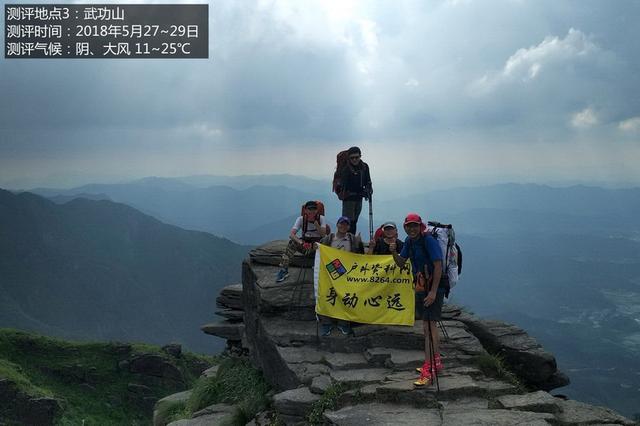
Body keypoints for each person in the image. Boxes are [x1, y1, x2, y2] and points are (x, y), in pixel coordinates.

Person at [389, 213, 444, 387]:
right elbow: (401, 262)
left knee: (429, 327)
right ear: (405, 227)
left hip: (432, 288)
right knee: (427, 327)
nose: (412, 229)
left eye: (415, 225)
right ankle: (436, 362)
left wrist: (434, 292)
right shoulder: (409, 242)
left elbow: (438, 265)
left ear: (420, 226)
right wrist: (393, 252)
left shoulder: (428, 241)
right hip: (421, 286)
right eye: (409, 226)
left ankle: (429, 370)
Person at [316, 216, 364, 336]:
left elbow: (360, 255)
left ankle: (343, 324)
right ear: (337, 225)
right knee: (327, 297)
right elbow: (320, 251)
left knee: (345, 298)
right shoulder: (329, 238)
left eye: (346, 224)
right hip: (330, 273)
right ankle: (326, 324)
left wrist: (360, 244)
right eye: (341, 224)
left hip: (347, 274)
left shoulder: (352, 239)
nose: (343, 226)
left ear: (349, 227)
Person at [276, 201, 327, 282]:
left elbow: (323, 234)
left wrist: (316, 224)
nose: (312, 211)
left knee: (326, 241)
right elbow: (292, 235)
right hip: (305, 244)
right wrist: (301, 243)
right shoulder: (301, 219)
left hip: (317, 246)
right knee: (292, 243)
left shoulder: (321, 218)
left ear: (317, 210)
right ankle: (284, 270)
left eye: (314, 209)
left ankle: (321, 268)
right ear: (305, 210)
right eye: (309, 209)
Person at [335, 147, 372, 235]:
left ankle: (351, 239)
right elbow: (341, 185)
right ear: (349, 158)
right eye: (352, 158)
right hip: (349, 198)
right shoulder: (346, 169)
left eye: (357, 157)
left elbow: (368, 181)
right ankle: (345, 240)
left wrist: (368, 189)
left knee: (354, 220)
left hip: (359, 197)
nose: (354, 159)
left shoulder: (365, 167)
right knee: (347, 222)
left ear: (360, 156)